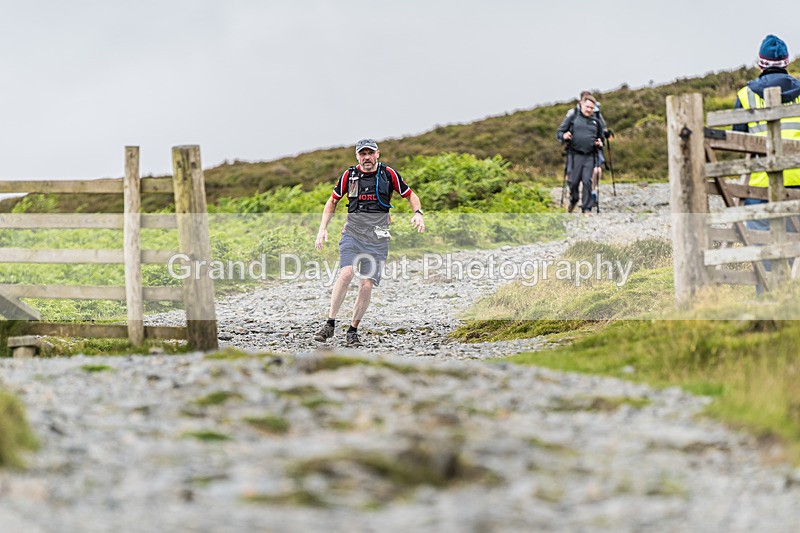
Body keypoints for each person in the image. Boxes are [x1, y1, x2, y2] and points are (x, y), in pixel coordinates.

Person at [314, 139, 425, 346]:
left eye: (370, 153)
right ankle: (330, 323)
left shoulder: (388, 174)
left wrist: (418, 213)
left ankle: (353, 330)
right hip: (352, 234)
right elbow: (332, 201)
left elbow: (411, 195)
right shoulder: (349, 175)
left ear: (377, 154)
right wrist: (322, 229)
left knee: (366, 284)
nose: (366, 157)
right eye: (362, 154)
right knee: (346, 273)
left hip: (378, 238)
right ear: (357, 156)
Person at [732, 34, 800, 291]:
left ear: (759, 63)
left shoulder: (746, 94)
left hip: (759, 186)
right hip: (798, 183)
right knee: (796, 251)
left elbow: (737, 138)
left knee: (764, 253)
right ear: (787, 62)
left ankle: (768, 309)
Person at [562, 91, 612, 211]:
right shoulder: (572, 114)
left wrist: (602, 138)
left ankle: (589, 203)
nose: (589, 109)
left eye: (591, 107)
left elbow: (601, 129)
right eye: (587, 105)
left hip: (591, 151)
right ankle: (574, 197)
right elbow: (563, 130)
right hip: (575, 152)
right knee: (573, 179)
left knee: (592, 174)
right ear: (581, 102)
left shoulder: (597, 115)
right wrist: (565, 136)